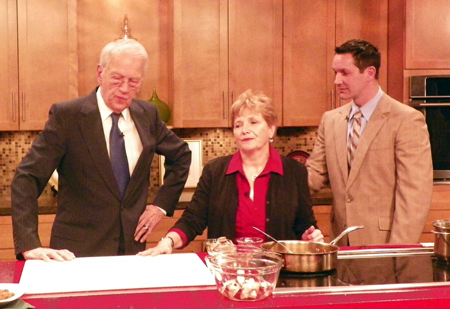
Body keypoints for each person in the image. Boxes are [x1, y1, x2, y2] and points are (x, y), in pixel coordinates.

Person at [11, 39, 191, 261]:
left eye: (133, 81)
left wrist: (160, 206)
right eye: (117, 78)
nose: (124, 89)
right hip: (76, 254)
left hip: (132, 251)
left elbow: (181, 155)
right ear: (100, 73)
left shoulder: (148, 115)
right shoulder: (68, 116)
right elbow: (27, 177)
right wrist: (29, 244)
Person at [139, 89, 323, 256]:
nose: (245, 130)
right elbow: (193, 219)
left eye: (254, 122)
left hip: (277, 270)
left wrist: (311, 236)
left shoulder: (294, 172)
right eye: (238, 125)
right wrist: (168, 241)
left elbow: (304, 225)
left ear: (271, 128)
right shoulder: (215, 171)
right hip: (227, 271)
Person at [306, 39, 433, 246]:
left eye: (345, 73)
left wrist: (398, 251)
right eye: (335, 73)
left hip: (383, 243)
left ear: (370, 73)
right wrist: (270, 176)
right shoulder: (330, 120)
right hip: (341, 242)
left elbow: (414, 196)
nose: (337, 80)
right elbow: (314, 176)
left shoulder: (405, 119)